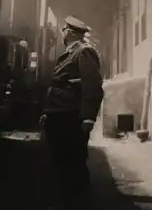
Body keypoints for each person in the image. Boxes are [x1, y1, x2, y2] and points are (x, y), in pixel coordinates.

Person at [39, 16, 104, 210]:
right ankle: (67, 202)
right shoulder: (70, 53)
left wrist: (88, 117)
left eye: (65, 29)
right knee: (61, 163)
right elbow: (59, 85)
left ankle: (79, 204)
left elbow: (93, 87)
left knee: (73, 165)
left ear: (71, 32)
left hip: (70, 118)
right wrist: (48, 112)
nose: (62, 32)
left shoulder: (84, 52)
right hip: (58, 115)